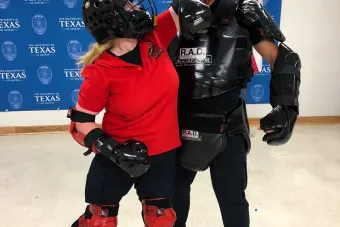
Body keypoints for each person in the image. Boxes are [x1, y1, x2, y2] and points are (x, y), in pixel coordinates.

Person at [66, 0, 212, 226]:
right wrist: (116, 152)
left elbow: (180, 7)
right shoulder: (100, 70)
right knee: (98, 220)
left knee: (161, 220)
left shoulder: (155, 38)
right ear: (112, 20)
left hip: (162, 154)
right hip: (118, 155)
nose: (137, 8)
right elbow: (82, 123)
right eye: (127, 6)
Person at [168, 0, 301, 226]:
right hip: (180, 124)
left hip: (227, 126)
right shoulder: (177, 10)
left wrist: (286, 107)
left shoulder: (243, 9)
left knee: (232, 199)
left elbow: (282, 57)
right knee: (172, 197)